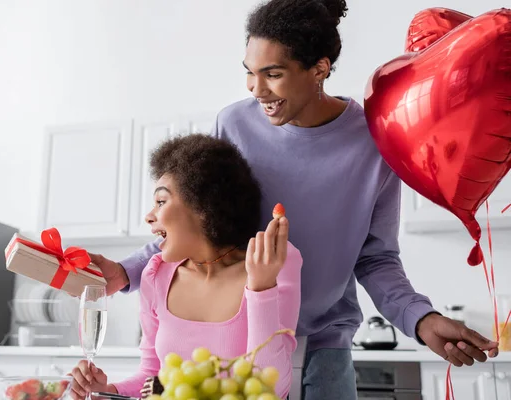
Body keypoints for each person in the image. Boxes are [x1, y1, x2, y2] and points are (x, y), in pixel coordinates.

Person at [89, 0, 499, 398]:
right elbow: (199, 222)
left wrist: (420, 318)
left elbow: (376, 258)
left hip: (324, 344)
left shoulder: (374, 142)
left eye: (273, 73)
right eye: (250, 72)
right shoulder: (233, 124)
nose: (256, 89)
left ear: (319, 68)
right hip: (242, 338)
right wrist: (127, 271)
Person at [70, 134, 303, 399]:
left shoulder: (270, 263)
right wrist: (107, 391)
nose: (149, 216)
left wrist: (261, 289)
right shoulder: (156, 274)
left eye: (161, 202)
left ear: (203, 207)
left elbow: (271, 387)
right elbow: (151, 378)